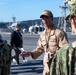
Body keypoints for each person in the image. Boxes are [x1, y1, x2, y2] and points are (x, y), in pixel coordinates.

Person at [20, 10, 68, 75]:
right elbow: (40, 48)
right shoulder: (42, 34)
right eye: (43, 18)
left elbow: (65, 50)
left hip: (57, 66)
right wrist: (30, 53)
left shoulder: (59, 33)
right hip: (46, 67)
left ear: (52, 18)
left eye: (47, 18)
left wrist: (56, 54)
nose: (45, 20)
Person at [50, 0, 76, 75]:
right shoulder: (43, 34)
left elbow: (64, 46)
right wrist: (32, 53)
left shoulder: (65, 53)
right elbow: (40, 47)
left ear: (74, 22)